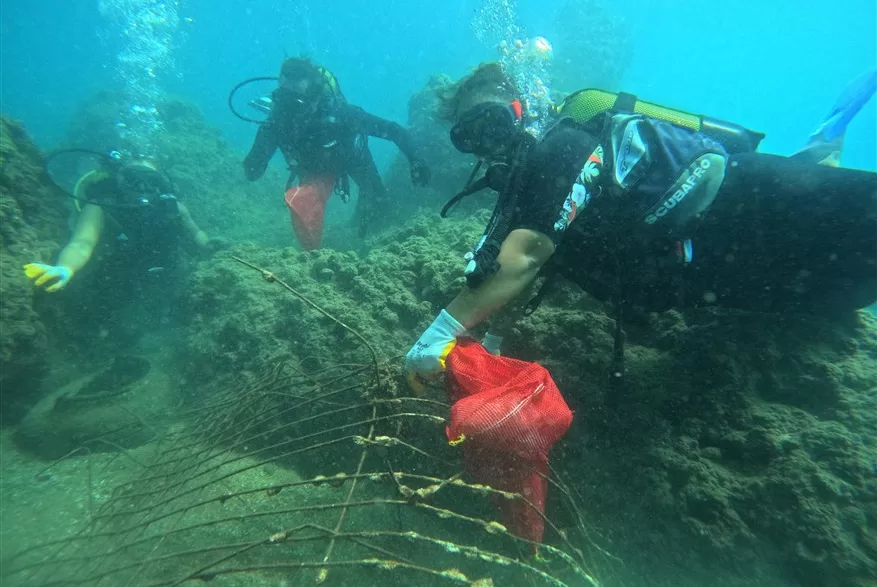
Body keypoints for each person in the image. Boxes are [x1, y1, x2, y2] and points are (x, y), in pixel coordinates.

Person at [405, 63, 877, 390]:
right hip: (712, 272)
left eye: (495, 121)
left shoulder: (561, 145)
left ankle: (822, 146)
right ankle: (820, 150)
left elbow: (526, 255)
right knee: (846, 297)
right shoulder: (524, 190)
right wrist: (490, 345)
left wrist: (438, 334)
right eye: (470, 136)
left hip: (751, 203)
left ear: (523, 108)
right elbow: (510, 276)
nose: (492, 142)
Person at [242, 58, 432, 249]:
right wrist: (265, 140)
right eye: (287, 102)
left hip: (352, 159)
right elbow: (252, 173)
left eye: (301, 102)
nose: (299, 111)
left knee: (378, 199)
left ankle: (368, 233)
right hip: (311, 168)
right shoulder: (279, 123)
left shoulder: (342, 115)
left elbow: (393, 130)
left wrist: (416, 159)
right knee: (307, 201)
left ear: (318, 96)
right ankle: (313, 250)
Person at [24, 157, 210, 293]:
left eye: (150, 181)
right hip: (116, 278)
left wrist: (214, 250)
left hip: (168, 274)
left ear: (160, 184)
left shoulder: (172, 206)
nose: (142, 188)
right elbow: (82, 242)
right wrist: (65, 267)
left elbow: (196, 233)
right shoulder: (101, 205)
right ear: (120, 179)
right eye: (133, 179)